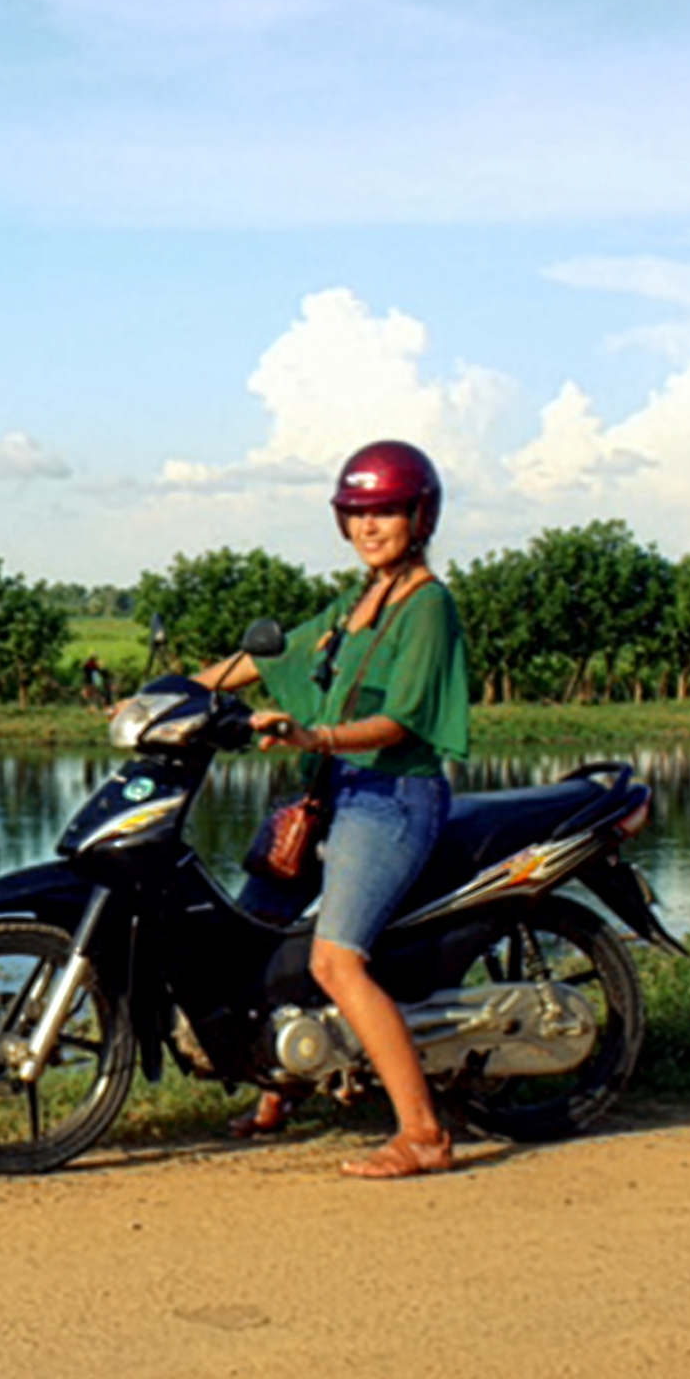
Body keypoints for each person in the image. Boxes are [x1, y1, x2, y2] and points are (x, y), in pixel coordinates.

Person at [189, 439, 472, 1179]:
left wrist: (313, 736)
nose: (369, 526)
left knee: (336, 960)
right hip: (332, 792)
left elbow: (401, 722)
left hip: (392, 799)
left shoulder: (427, 607)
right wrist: (175, 694)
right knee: (255, 932)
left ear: (420, 516)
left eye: (387, 511)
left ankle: (423, 1134)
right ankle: (281, 1080)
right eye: (357, 512)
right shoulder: (357, 601)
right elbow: (273, 656)